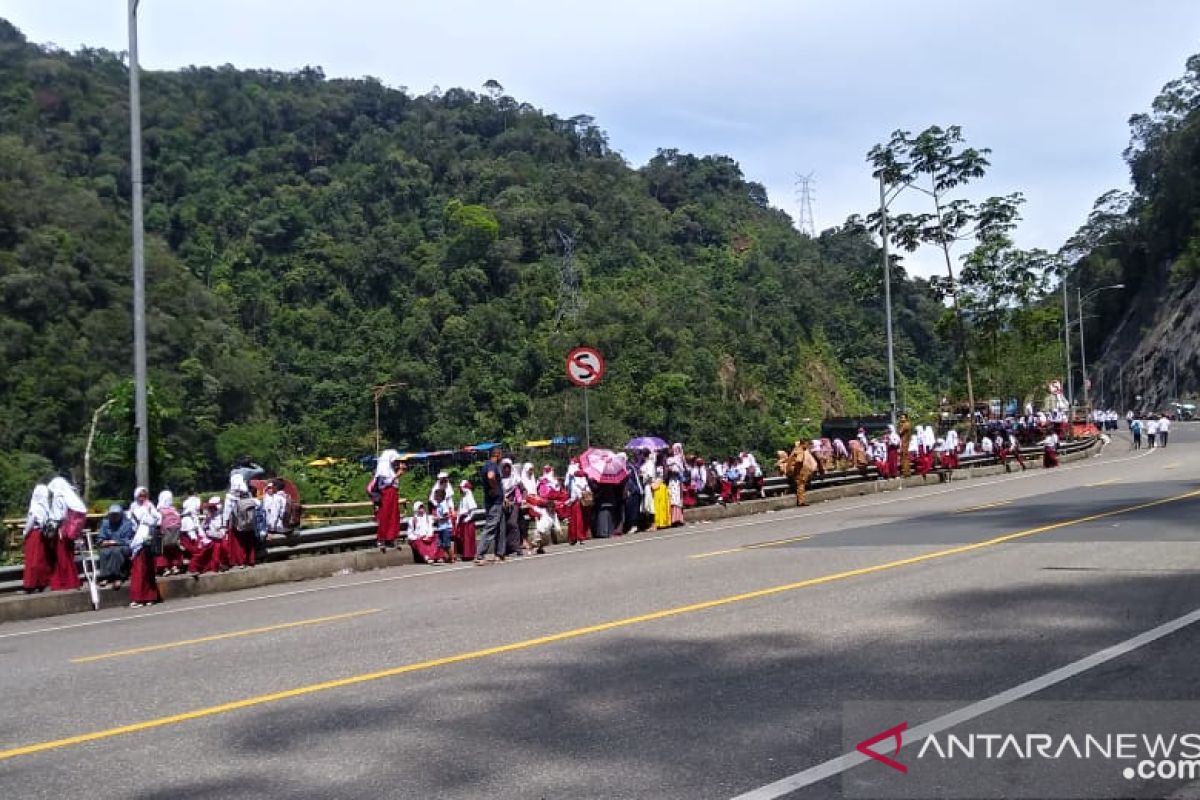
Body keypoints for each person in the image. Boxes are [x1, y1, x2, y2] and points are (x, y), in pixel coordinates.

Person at [47, 477, 87, 591]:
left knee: (62, 557)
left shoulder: (58, 496)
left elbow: (58, 515)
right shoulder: (70, 495)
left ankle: (66, 581)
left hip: (61, 531)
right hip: (69, 531)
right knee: (69, 556)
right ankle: (72, 580)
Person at [127, 486, 162, 607]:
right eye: (140, 495)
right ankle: (138, 597)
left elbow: (158, 518)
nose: (142, 498)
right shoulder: (133, 507)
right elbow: (130, 524)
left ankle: (149, 596)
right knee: (138, 571)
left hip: (147, 539)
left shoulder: (149, 506)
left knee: (147, 570)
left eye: (144, 495)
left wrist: (149, 523)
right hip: (137, 540)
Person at [475, 447, 506, 564]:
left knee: (501, 527)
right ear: (497, 455)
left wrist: (503, 496)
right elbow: (491, 476)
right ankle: (480, 554)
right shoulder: (492, 465)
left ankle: (500, 553)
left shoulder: (488, 465)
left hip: (498, 500)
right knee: (491, 526)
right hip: (494, 502)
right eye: (501, 455)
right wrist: (494, 489)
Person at [21, 484, 53, 593]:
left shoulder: (35, 506)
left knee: (32, 560)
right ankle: (42, 583)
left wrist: (25, 532)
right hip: (42, 534)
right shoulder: (46, 507)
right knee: (41, 559)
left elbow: (30, 522)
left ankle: (30, 584)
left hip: (34, 534)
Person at [221, 473, 258, 568]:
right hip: (249, 523)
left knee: (238, 543)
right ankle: (251, 560)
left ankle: (240, 561)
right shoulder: (248, 494)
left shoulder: (230, 497)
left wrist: (224, 524)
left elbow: (226, 512)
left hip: (236, 524)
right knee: (249, 541)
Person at [372, 449, 404, 552]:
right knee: (385, 515)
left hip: (393, 493)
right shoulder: (383, 470)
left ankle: (393, 537)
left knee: (394, 515)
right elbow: (386, 482)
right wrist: (397, 475)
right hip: (386, 494)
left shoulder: (390, 468)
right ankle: (382, 539)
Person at [96, 503, 134, 588]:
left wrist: (115, 542)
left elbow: (128, 539)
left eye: (116, 514)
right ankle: (105, 576)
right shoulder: (106, 523)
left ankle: (118, 577)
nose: (114, 516)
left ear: (120, 514)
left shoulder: (127, 523)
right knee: (103, 552)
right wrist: (103, 541)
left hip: (123, 545)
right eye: (112, 514)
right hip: (109, 545)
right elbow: (101, 536)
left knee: (116, 551)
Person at [180, 495, 219, 575]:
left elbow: (199, 529)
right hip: (190, 540)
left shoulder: (193, 517)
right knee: (201, 549)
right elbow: (191, 534)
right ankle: (193, 568)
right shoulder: (187, 518)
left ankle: (206, 566)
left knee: (211, 544)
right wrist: (200, 540)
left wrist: (203, 538)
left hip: (195, 538)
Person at [156, 490, 185, 576]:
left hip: (164, 535)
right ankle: (175, 567)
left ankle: (165, 569)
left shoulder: (160, 510)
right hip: (175, 535)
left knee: (163, 552)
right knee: (174, 550)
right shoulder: (174, 510)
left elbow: (158, 523)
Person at [565, 460, 592, 543]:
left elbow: (574, 495)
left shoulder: (574, 482)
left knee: (574, 521)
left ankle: (574, 537)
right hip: (584, 502)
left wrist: (569, 502)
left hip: (576, 504)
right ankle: (582, 536)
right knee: (582, 520)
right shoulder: (585, 481)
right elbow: (588, 490)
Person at [454, 480, 478, 561]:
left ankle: (469, 554)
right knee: (461, 538)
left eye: (461, 488)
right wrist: (458, 519)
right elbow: (460, 510)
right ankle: (463, 554)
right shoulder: (463, 497)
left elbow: (473, 510)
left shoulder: (469, 497)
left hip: (467, 520)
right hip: (462, 519)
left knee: (468, 538)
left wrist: (468, 518)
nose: (460, 489)